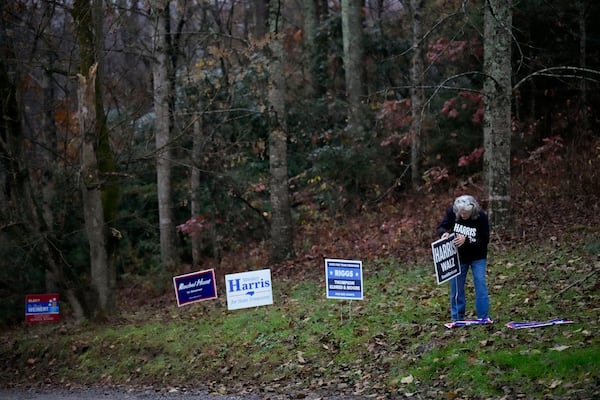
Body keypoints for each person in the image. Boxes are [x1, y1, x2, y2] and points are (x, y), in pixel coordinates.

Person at [437, 195, 490, 321]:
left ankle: (483, 317)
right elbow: (441, 226)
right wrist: (443, 233)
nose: (463, 215)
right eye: (460, 213)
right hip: (459, 257)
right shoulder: (453, 212)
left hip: (478, 256)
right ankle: (457, 317)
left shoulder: (481, 216)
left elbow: (484, 240)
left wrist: (466, 240)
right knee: (456, 287)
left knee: (480, 283)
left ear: (472, 210)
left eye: (466, 213)